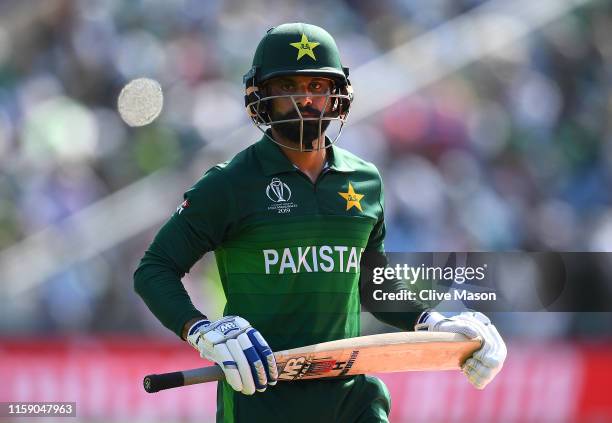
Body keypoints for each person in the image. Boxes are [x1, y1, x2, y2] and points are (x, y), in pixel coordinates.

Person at [134, 22, 506, 423]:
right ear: (261, 97)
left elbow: (370, 281)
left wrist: (432, 320)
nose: (304, 101)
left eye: (316, 87)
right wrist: (203, 331)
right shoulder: (229, 184)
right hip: (261, 398)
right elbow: (154, 269)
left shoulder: (365, 181)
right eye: (288, 88)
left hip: (352, 397)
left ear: (337, 96)